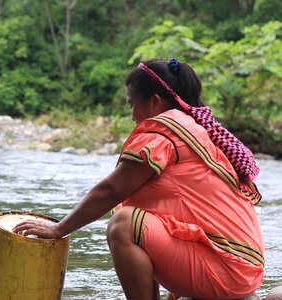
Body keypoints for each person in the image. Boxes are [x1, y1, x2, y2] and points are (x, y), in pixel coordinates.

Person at [13, 58, 264, 300]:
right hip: (243, 268)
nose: (133, 114)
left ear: (155, 101)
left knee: (124, 224)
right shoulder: (195, 130)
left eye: (133, 103)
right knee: (139, 216)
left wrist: (58, 229)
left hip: (227, 270)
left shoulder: (164, 131)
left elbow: (111, 191)